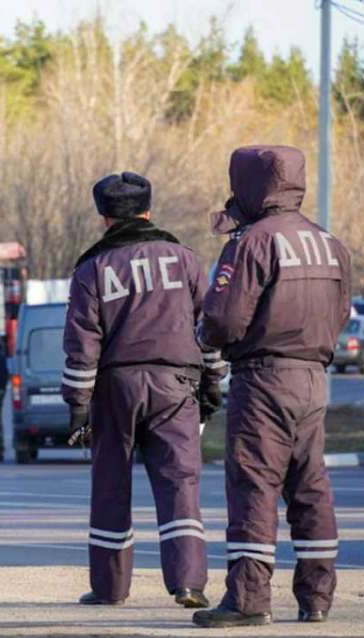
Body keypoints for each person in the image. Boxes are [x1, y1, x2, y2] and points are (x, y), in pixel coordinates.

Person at [193, 146, 352, 628]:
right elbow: (342, 313)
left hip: (263, 378)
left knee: (254, 485)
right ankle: (317, 597)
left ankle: (248, 599)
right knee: (310, 487)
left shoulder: (252, 243)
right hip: (313, 378)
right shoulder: (330, 244)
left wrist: (205, 337)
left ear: (250, 185)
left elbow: (222, 320)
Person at [62, 171, 222, 609]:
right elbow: (209, 329)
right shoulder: (185, 260)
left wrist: (77, 407)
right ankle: (189, 583)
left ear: (104, 218)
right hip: (176, 385)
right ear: (149, 212)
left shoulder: (92, 268)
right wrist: (213, 386)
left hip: (115, 390)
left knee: (111, 486)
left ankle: (110, 588)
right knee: (179, 483)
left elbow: (82, 344)